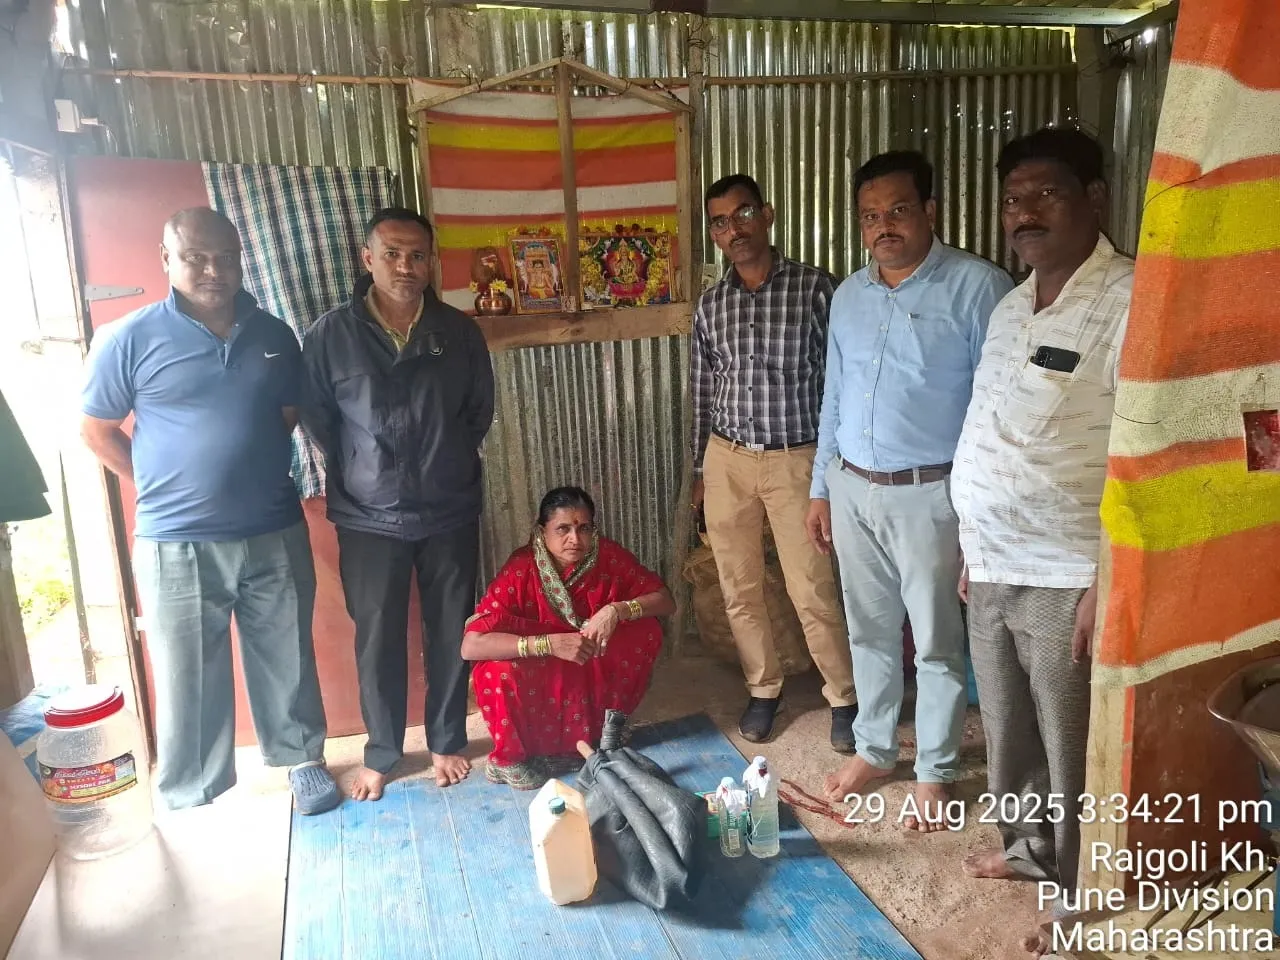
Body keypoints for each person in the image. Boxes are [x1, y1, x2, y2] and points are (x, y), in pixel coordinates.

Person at [80, 208, 338, 814]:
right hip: (176, 541)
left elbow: (285, 417)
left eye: (225, 257)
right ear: (167, 259)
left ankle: (302, 760)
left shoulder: (274, 335)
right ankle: (193, 789)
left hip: (273, 529)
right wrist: (163, 488)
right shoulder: (129, 337)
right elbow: (97, 431)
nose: (213, 271)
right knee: (187, 671)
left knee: (288, 655)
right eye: (195, 258)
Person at [808, 151, 1013, 831]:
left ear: (930, 210)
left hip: (933, 494)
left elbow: (995, 409)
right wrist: (821, 487)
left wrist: (978, 515)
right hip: (854, 488)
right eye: (870, 216)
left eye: (898, 210)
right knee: (868, 631)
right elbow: (834, 396)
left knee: (936, 642)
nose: (883, 226)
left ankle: (935, 769)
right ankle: (874, 749)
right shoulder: (849, 296)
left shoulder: (978, 289)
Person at [952, 128, 1132, 893]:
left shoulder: (1130, 302)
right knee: (1009, 731)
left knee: (1071, 744)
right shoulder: (1009, 306)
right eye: (1011, 200)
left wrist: (1109, 579)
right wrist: (972, 542)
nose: (1023, 212)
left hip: (1068, 572)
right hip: (992, 561)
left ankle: (1079, 891)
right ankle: (1031, 851)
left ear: (1095, 199)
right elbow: (988, 428)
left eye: (1045, 194)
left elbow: (1145, 459)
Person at [301, 207, 495, 799]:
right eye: (392, 254)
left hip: (448, 506)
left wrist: (443, 462)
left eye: (416, 255)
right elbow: (319, 418)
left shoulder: (457, 333)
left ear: (431, 262)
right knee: (377, 636)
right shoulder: (331, 335)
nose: (405, 267)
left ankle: (447, 740)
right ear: (368, 259)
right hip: (367, 516)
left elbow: (477, 413)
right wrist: (362, 467)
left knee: (450, 629)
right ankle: (382, 751)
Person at [690, 173, 857, 750]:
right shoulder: (711, 305)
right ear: (713, 234)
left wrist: (832, 472)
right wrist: (698, 470)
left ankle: (844, 697)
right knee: (738, 587)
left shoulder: (816, 289)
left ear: (767, 214)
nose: (733, 229)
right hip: (727, 459)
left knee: (811, 587)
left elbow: (840, 384)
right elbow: (702, 390)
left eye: (743, 214)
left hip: (796, 460)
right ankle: (764, 689)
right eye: (720, 222)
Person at [462, 486, 675, 789]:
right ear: (542, 531)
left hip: (586, 653)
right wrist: (548, 644)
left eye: (583, 528)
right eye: (563, 529)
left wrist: (616, 610)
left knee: (644, 631)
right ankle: (509, 759)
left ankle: (601, 731)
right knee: (498, 671)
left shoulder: (607, 557)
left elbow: (665, 601)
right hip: (540, 661)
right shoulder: (522, 568)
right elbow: (471, 646)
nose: (575, 539)